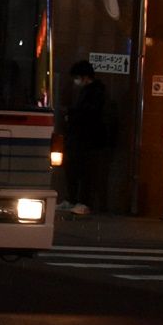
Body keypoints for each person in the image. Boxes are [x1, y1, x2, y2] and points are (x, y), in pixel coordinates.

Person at [61, 59, 108, 215]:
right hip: (82, 138)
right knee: (75, 170)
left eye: (77, 77)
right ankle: (74, 200)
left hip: (86, 139)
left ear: (85, 77)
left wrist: (71, 114)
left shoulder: (95, 92)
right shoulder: (91, 91)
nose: (76, 81)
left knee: (83, 172)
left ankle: (82, 202)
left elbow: (88, 115)